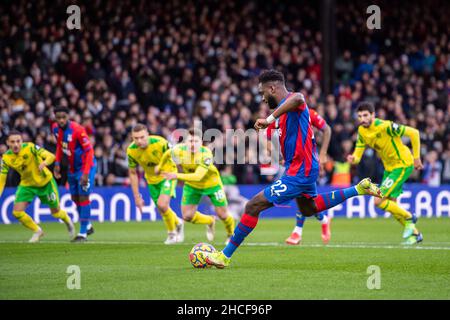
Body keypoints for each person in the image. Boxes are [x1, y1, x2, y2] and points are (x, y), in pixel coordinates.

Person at [204, 70, 383, 268]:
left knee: (253, 206)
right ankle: (359, 189)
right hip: (298, 168)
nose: (262, 98)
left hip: (301, 171)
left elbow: (299, 98)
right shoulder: (281, 115)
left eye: (263, 93)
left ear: (273, 88)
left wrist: (270, 120)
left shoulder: (293, 102)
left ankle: (225, 256)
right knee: (309, 209)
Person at [347, 102, 423, 245]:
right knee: (392, 205)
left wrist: (417, 157)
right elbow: (358, 153)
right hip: (389, 169)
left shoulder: (386, 126)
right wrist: (353, 159)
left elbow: (414, 133)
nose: (362, 119)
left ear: (373, 115)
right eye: (359, 116)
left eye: (365, 115)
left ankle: (410, 217)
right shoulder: (362, 131)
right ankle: (415, 234)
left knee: (378, 200)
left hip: (402, 164)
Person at [267, 107, 333, 245]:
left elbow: (326, 129)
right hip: (292, 164)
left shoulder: (306, 112)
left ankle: (297, 232)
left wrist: (323, 154)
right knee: (306, 200)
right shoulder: (276, 118)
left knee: (302, 196)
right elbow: (268, 141)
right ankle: (323, 220)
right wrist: (278, 157)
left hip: (308, 162)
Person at [159, 128, 235, 244]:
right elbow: (167, 154)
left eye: (196, 141)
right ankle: (210, 220)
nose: (193, 144)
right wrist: (159, 167)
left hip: (212, 184)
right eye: (190, 141)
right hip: (192, 185)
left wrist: (175, 175)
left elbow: (198, 176)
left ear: (201, 143)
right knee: (187, 216)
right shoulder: (179, 150)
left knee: (223, 215)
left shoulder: (206, 154)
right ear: (185, 142)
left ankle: (231, 234)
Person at [0, 131, 74, 242]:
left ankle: (67, 219)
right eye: (12, 142)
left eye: (18, 141)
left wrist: (44, 163)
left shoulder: (30, 147)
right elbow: (2, 179)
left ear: (22, 141)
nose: (16, 144)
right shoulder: (6, 158)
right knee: (17, 212)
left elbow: (51, 156)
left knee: (56, 213)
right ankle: (37, 231)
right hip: (27, 185)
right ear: (7, 143)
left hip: (45, 183)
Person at [127, 124, 183, 244]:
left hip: (168, 175)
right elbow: (132, 173)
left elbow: (175, 156)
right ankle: (178, 222)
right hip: (152, 180)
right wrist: (137, 197)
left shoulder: (160, 143)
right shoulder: (131, 150)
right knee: (162, 209)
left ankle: (172, 234)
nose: (139, 141)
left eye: (142, 137)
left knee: (162, 205)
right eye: (135, 138)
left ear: (148, 134)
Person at [52, 107, 96, 242]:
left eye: (63, 117)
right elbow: (60, 146)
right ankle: (88, 225)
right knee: (75, 198)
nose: (61, 120)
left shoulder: (78, 130)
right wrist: (57, 163)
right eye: (58, 117)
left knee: (83, 197)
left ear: (68, 116)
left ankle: (82, 233)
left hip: (85, 167)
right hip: (72, 168)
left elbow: (89, 151)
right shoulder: (55, 128)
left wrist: (86, 173)